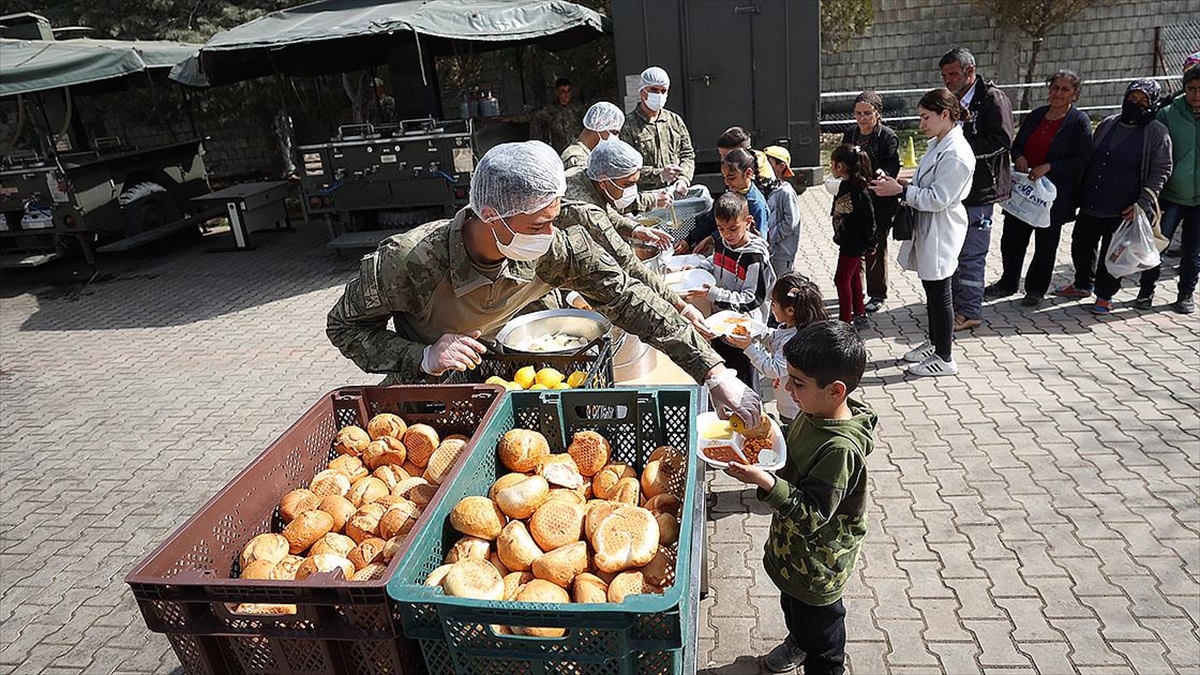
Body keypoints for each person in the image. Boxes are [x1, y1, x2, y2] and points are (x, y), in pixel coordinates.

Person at [326, 140, 760, 422]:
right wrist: (422, 355)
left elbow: (626, 297)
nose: (549, 235)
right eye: (537, 224)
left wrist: (713, 371)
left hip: (523, 378)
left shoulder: (554, 245)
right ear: (491, 215)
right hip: (436, 398)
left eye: (553, 219)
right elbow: (343, 327)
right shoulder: (410, 261)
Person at [724, 319, 876, 675]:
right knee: (792, 607)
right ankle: (798, 641)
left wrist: (765, 482)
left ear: (836, 390)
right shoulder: (813, 411)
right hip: (793, 557)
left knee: (822, 637)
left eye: (798, 382)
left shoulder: (839, 450)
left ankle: (816, 656)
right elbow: (793, 449)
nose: (785, 386)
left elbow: (811, 515)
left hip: (818, 566)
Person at [870, 88, 976, 378]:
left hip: (942, 229)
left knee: (940, 293)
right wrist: (899, 180)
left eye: (926, 117)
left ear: (945, 114)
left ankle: (944, 358)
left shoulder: (957, 153)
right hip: (930, 227)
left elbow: (939, 197)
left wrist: (900, 190)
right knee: (932, 291)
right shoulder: (939, 142)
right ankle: (935, 342)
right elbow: (923, 178)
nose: (921, 124)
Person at [1055, 79, 1173, 315]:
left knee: (1114, 253)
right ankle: (1082, 284)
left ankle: (1105, 295)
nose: (1136, 104)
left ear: (1153, 104)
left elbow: (1162, 169)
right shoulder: (1109, 123)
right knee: (1081, 245)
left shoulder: (1156, 133)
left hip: (1124, 207)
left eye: (1143, 101)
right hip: (1092, 200)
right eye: (1132, 98)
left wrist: (1142, 204)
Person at [984, 70, 1093, 307]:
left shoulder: (1079, 122)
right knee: (1011, 239)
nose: (1058, 93)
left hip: (1053, 196)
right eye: (1055, 88)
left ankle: (1035, 289)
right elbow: (1016, 145)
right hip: (1023, 191)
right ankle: (1008, 282)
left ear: (1075, 93)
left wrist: (1050, 167)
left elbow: (1082, 158)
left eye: (1065, 89)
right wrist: (1020, 156)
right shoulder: (1036, 115)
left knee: (1046, 244)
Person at [559, 139, 697, 324]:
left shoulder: (584, 175)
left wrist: (636, 230)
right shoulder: (584, 210)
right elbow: (628, 262)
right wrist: (681, 306)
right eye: (627, 184)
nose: (632, 190)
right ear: (604, 182)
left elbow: (605, 210)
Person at [939, 47, 1014, 332]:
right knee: (954, 253)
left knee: (971, 255)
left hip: (980, 191)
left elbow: (1002, 141)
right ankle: (957, 303)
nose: (948, 80)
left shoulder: (992, 99)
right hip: (954, 191)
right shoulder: (951, 100)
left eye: (954, 74)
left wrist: (961, 151)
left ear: (971, 71)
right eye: (945, 75)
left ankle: (970, 310)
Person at [686, 191, 776, 388]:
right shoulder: (721, 241)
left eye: (733, 229)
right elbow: (716, 261)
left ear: (748, 221)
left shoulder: (754, 257)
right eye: (721, 228)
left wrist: (714, 294)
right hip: (719, 325)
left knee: (745, 385)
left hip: (743, 332)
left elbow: (752, 299)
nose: (727, 234)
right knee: (724, 381)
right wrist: (699, 266)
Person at [723, 274, 828, 431]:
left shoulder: (794, 341)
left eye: (774, 304)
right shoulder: (790, 327)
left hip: (795, 407)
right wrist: (751, 326)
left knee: (792, 435)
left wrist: (748, 347)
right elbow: (773, 338)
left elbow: (772, 369)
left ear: (790, 310)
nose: (771, 307)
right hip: (788, 401)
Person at [1136, 65, 1199, 314]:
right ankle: (1145, 292)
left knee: (1192, 251)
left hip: (1198, 199)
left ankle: (1186, 294)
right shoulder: (1168, 114)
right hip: (1170, 195)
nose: (1195, 95)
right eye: (1191, 89)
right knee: (1156, 247)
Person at [842, 91, 901, 314]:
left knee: (875, 247)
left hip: (879, 201)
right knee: (854, 245)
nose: (862, 118)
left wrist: (882, 175)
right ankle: (855, 289)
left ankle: (877, 293)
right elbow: (843, 159)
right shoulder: (850, 134)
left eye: (867, 113)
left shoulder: (887, 136)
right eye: (858, 113)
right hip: (855, 198)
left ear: (877, 113)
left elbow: (893, 166)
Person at [619, 66, 696, 197]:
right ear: (642, 91)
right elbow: (625, 168)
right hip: (645, 197)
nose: (658, 95)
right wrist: (659, 174)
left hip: (674, 193)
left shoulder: (674, 121)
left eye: (663, 91)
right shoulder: (627, 126)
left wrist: (683, 179)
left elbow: (687, 154)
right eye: (654, 90)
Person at [680, 148, 771, 254]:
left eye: (731, 178)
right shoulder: (731, 191)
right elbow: (712, 219)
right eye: (724, 178)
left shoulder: (756, 204)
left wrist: (713, 238)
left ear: (748, 173)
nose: (727, 182)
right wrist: (690, 240)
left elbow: (759, 242)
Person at [829, 144, 877, 327]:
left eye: (832, 163)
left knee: (841, 279)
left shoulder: (859, 191)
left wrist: (871, 241)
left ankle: (845, 320)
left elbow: (868, 220)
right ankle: (859, 312)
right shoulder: (845, 185)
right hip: (847, 241)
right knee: (854, 276)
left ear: (840, 166)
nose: (831, 167)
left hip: (854, 244)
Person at [763, 145, 802, 278]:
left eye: (768, 161)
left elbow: (791, 222)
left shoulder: (786, 192)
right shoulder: (767, 189)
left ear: (781, 166)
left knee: (781, 286)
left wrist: (772, 236)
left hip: (782, 253)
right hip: (770, 249)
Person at [560, 102, 625, 173]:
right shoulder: (576, 158)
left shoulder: (589, 153)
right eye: (614, 132)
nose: (616, 138)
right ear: (599, 124)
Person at [543, 77, 586, 153]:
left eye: (568, 91)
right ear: (557, 92)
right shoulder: (550, 109)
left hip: (578, 150)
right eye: (563, 91)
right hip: (560, 152)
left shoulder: (578, 107)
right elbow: (529, 116)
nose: (566, 94)